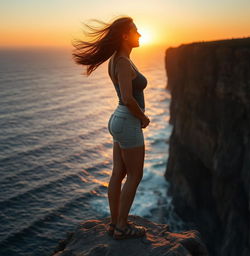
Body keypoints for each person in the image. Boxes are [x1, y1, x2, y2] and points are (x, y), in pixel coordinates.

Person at [72, 16, 150, 240]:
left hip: (118, 120)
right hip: (127, 120)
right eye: (135, 30)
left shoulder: (117, 59)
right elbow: (127, 97)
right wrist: (143, 118)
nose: (140, 34)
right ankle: (123, 227)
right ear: (125, 35)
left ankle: (114, 223)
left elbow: (124, 97)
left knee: (118, 173)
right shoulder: (123, 62)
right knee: (135, 174)